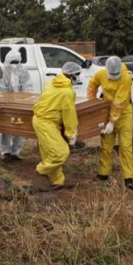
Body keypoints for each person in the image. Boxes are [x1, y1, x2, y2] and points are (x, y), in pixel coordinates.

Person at [88, 56, 133, 189]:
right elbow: (92, 85)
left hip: (124, 114)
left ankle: (128, 177)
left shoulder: (126, 78)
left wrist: (112, 122)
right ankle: (103, 173)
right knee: (106, 145)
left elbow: (119, 102)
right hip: (106, 112)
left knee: (125, 147)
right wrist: (93, 102)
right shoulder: (101, 74)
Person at [32, 62, 80, 190]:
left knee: (49, 154)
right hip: (46, 123)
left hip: (41, 120)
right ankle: (39, 170)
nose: (80, 77)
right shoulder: (67, 92)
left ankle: (57, 182)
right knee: (61, 153)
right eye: (78, 74)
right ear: (71, 75)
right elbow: (69, 114)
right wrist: (71, 134)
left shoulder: (52, 82)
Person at [0, 50, 32, 162]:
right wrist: (8, 99)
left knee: (20, 127)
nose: (15, 64)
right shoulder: (2, 71)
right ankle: (5, 152)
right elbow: (0, 89)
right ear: (7, 61)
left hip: (20, 103)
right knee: (6, 128)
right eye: (13, 61)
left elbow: (28, 85)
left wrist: (24, 98)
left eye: (17, 61)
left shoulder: (23, 70)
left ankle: (15, 152)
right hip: (6, 103)